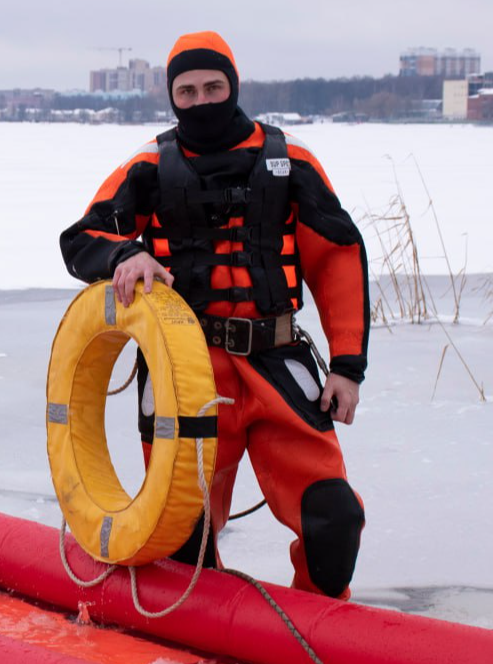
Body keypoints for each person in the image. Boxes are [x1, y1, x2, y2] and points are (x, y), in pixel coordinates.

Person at [59, 31, 368, 599]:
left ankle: (314, 631)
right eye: (187, 90)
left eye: (212, 86)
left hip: (277, 362)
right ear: (172, 96)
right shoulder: (150, 166)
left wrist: (348, 365)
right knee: (184, 538)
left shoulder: (290, 159)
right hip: (186, 372)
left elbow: (338, 256)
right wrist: (126, 254)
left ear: (233, 85)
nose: (201, 100)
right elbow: (83, 239)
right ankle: (195, 636)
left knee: (334, 518)